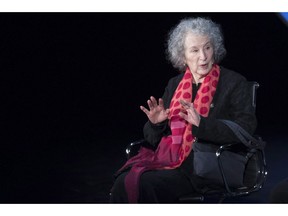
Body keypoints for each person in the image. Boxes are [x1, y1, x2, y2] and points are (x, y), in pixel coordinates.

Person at [110, 17, 257, 203]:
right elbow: (153, 139)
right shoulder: (175, 84)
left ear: (215, 48)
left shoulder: (234, 83)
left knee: (147, 185)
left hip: (210, 165)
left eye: (207, 47)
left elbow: (246, 128)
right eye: (194, 50)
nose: (203, 56)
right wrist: (157, 124)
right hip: (173, 161)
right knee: (123, 182)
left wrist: (202, 124)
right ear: (183, 56)